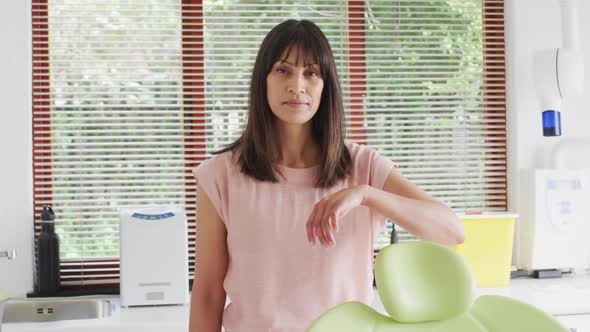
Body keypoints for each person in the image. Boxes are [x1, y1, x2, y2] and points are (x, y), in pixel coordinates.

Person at [189, 19, 464, 332]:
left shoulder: (365, 166)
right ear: (262, 80)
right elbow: (209, 293)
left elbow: (451, 230)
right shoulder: (220, 176)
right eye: (283, 70)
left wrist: (365, 194)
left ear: (325, 85)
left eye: (311, 73)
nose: (297, 85)